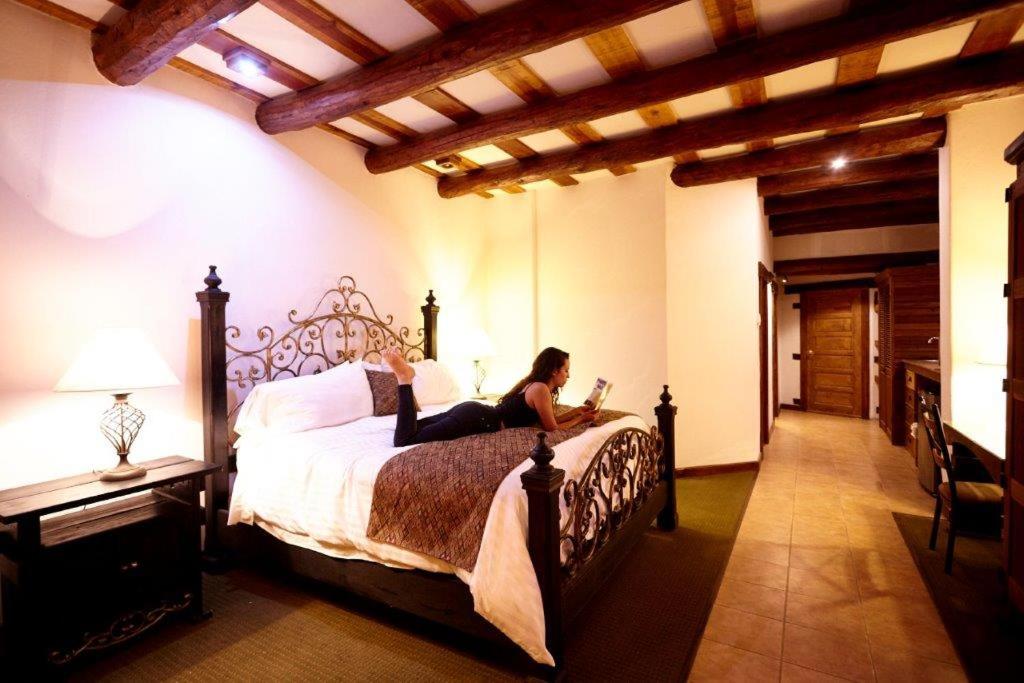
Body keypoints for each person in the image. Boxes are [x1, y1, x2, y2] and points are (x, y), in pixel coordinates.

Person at [383, 346, 598, 447]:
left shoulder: (536, 386)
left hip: (473, 412)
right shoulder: (541, 389)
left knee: (411, 428)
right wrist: (581, 420)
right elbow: (552, 428)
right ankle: (405, 379)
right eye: (566, 371)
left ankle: (405, 378)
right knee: (404, 440)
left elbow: (548, 419)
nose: (568, 375)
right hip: (476, 419)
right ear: (554, 371)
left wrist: (577, 411)